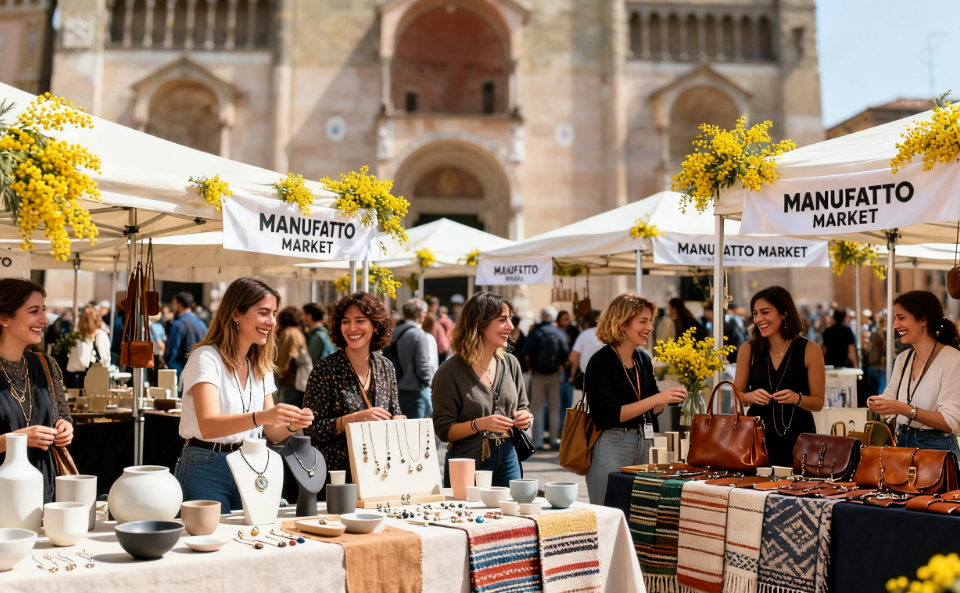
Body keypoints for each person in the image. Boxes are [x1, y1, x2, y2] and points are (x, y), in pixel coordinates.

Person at [176, 278, 314, 510]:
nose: (272, 321)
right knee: (208, 540)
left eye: (274, 313)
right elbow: (208, 426)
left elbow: (273, 433)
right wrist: (263, 417)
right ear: (236, 314)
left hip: (252, 462)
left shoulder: (260, 363)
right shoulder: (206, 358)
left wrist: (294, 424)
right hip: (206, 463)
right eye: (263, 313)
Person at [584, 294, 686, 504]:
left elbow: (652, 409)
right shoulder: (600, 362)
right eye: (643, 321)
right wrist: (657, 398)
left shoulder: (643, 359)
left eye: (650, 321)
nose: (649, 327)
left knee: (639, 517)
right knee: (609, 513)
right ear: (622, 324)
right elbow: (608, 415)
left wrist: (669, 398)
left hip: (645, 442)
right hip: (613, 444)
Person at [432, 292, 533, 487]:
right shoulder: (449, 372)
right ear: (480, 323)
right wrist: (480, 424)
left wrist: (525, 416)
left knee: (512, 512)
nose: (510, 326)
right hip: (467, 462)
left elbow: (523, 406)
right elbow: (444, 430)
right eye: (502, 320)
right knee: (466, 516)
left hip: (509, 457)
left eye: (510, 319)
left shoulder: (510, 363)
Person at [302, 293, 404, 483]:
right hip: (337, 476)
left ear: (375, 325)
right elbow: (311, 429)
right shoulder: (325, 369)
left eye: (360, 321)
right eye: (346, 321)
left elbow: (394, 411)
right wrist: (355, 419)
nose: (352, 328)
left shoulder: (386, 367)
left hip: (380, 472)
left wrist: (398, 419)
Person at [733, 286, 826, 467]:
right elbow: (737, 398)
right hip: (756, 441)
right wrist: (749, 397)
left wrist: (797, 398)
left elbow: (818, 402)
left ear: (784, 313)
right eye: (755, 314)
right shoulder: (748, 349)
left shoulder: (810, 349)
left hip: (799, 440)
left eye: (765, 312)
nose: (759, 319)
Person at [0, 279, 74, 503]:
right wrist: (15, 440)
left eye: (43, 310)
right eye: (34, 311)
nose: (44, 319)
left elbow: (63, 415)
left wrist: (65, 428)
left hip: (45, 489)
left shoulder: (45, 365)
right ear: (4, 318)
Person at [867, 291, 960, 455]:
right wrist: (879, 403)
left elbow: (950, 421)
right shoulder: (904, 358)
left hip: (937, 449)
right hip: (902, 444)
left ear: (923, 320)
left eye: (901, 318)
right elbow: (891, 396)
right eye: (895, 318)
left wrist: (903, 409)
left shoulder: (953, 359)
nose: (895, 325)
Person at [522, 306, 570, 449]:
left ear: (542, 316)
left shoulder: (535, 332)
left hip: (537, 375)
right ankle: (554, 440)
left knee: (536, 408)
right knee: (554, 408)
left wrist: (530, 366)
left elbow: (525, 352)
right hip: (554, 375)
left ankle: (538, 441)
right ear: (554, 318)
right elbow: (566, 354)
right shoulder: (559, 333)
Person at [392, 298, 437, 419]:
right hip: (414, 389)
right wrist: (431, 383)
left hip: (396, 386)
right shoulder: (418, 334)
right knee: (415, 432)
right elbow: (422, 365)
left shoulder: (395, 331)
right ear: (421, 314)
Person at [164, 292, 208, 378]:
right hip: (199, 372)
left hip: (182, 373)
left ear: (179, 305)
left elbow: (171, 353)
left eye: (174, 304)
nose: (173, 307)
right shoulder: (201, 323)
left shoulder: (178, 324)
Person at [65, 306, 111, 389]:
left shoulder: (75, 337)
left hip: (75, 377)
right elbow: (105, 359)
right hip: (95, 376)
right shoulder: (100, 335)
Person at [275, 306, 310, 406]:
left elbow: (284, 356)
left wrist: (280, 374)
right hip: (293, 381)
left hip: (291, 381)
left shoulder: (290, 333)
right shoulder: (294, 331)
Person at [867, 313, 888, 395]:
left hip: (877, 365)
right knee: (882, 390)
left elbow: (874, 353)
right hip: (885, 365)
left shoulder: (877, 333)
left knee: (878, 390)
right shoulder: (891, 333)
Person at [425, 298, 451, 363]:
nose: (436, 308)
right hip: (437, 348)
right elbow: (432, 333)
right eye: (435, 306)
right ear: (431, 306)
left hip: (440, 348)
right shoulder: (430, 316)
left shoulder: (433, 316)